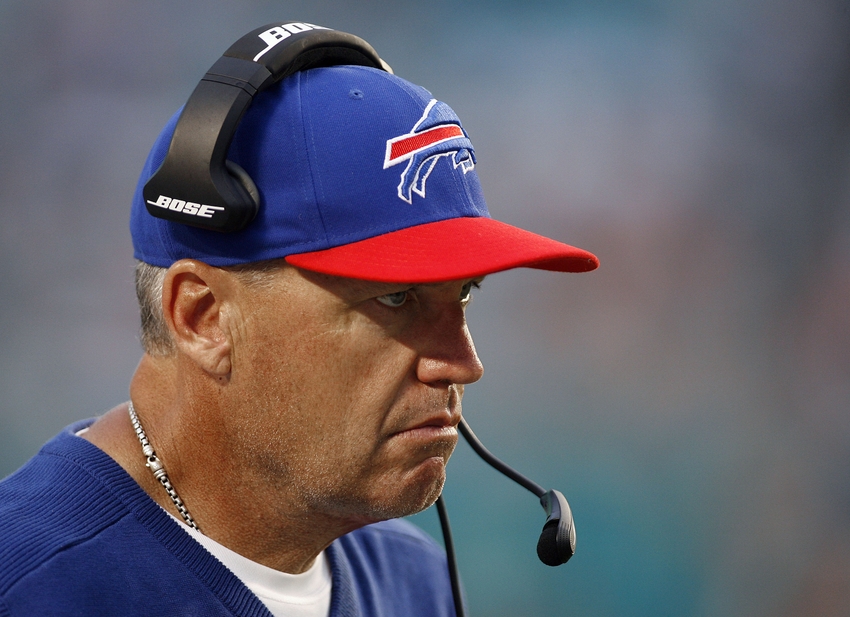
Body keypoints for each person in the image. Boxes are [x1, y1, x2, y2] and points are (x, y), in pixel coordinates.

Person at [0, 23, 598, 617]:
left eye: (463, 295)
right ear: (203, 317)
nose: (464, 365)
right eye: (397, 298)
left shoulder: (414, 582)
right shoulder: (29, 585)